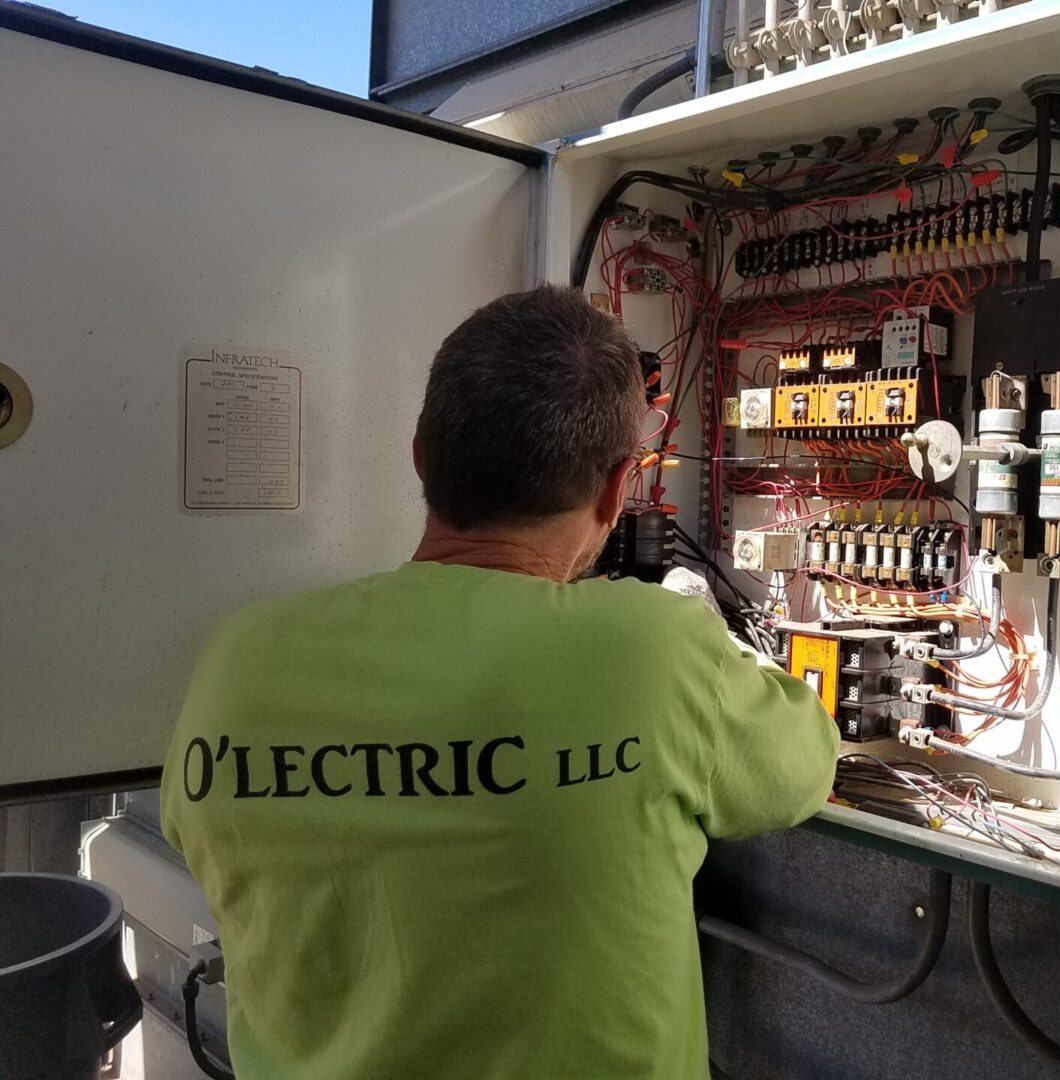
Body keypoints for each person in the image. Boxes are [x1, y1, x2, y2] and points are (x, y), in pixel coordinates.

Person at [160, 284, 839, 1080]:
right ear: (620, 488)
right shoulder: (657, 650)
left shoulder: (239, 661)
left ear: (421, 454)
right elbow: (805, 767)